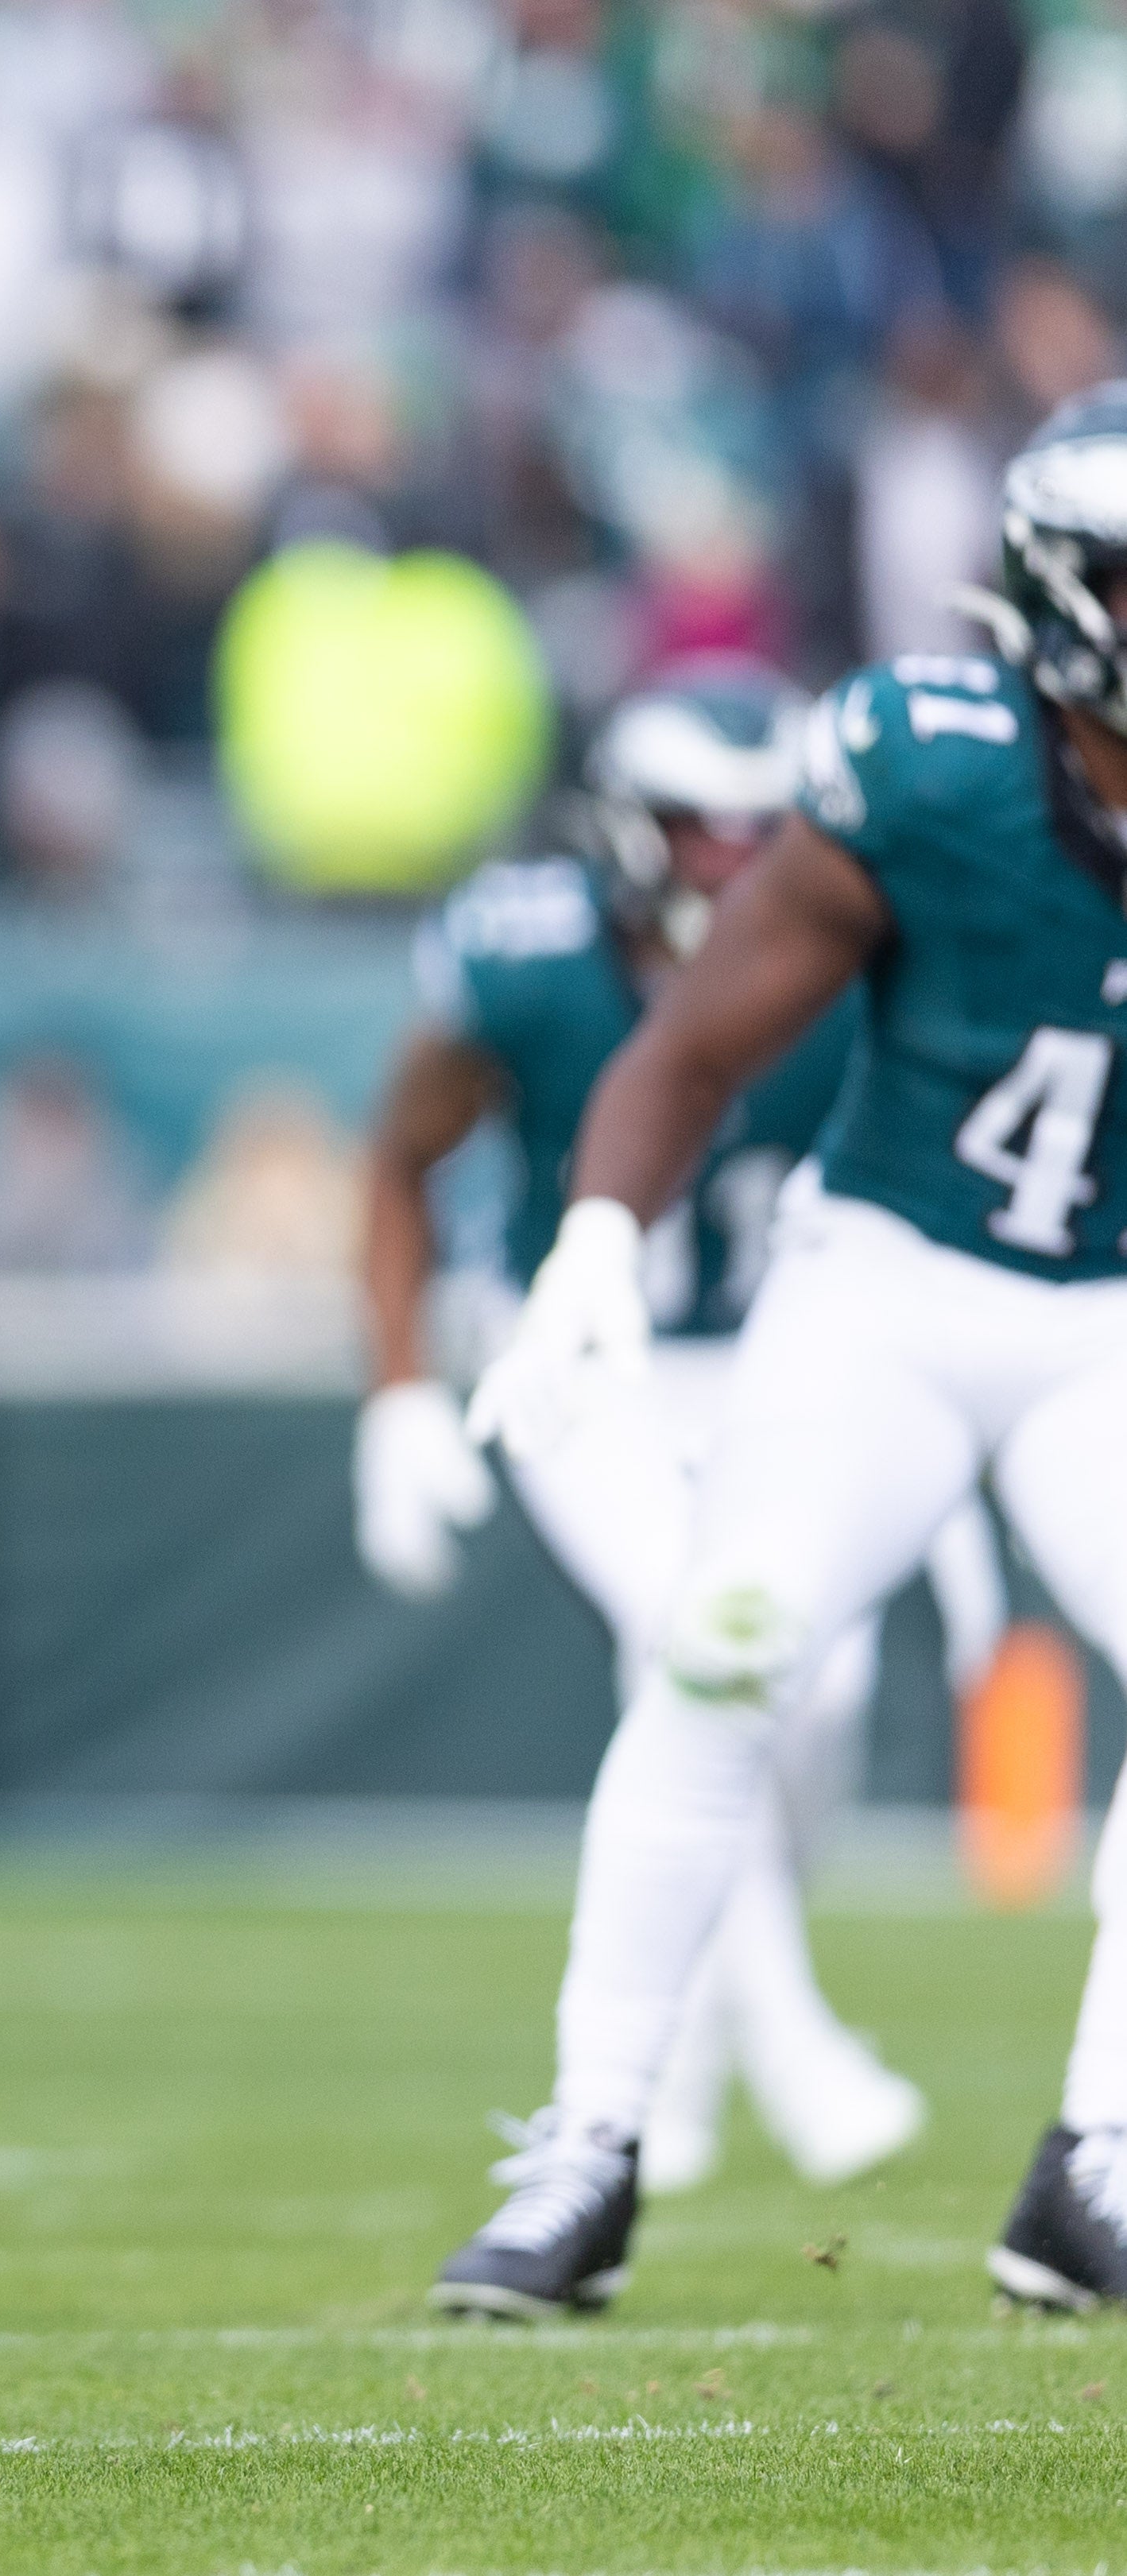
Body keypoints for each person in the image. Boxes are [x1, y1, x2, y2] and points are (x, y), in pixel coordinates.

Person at [430, 385, 1127, 2322]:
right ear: (1068, 596)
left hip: (1111, 1316)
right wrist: (587, 1242)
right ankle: (588, 2147)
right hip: (890, 1285)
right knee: (724, 1648)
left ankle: (1098, 2164)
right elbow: (693, 1043)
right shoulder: (932, 764)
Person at [360, 665, 999, 2216]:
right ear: (627, 824)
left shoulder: (848, 948)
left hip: (791, 1354)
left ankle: (688, 2061)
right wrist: (395, 1389)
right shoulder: (528, 956)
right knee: (686, 1632)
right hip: (589, 1359)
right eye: (701, 829)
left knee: (819, 1687)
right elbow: (396, 1159)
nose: (732, 858)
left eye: (756, 826)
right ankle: (791, 2045)